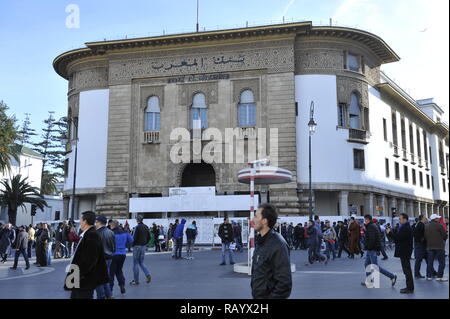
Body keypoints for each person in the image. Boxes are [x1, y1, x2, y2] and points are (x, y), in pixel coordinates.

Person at [64, 211, 109, 299]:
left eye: (81, 220)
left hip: (84, 281)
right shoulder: (88, 234)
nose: (80, 222)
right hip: (80, 279)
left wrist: (79, 276)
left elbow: (90, 261)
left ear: (85, 221)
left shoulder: (92, 235)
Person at [251, 203, 292, 299]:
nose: (253, 219)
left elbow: (284, 283)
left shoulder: (278, 244)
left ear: (264, 221)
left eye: (256, 216)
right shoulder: (261, 241)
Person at [361, 215, 397, 288]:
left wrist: (368, 247)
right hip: (370, 249)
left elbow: (372, 239)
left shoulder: (371, 227)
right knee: (366, 264)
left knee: (375, 267)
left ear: (367, 220)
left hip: (371, 249)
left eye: (365, 220)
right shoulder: (372, 226)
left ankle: (392, 276)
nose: (364, 221)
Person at [386, 213, 414, 293]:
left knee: (407, 270)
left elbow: (398, 238)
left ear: (405, 219)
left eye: (400, 219)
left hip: (405, 251)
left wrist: (390, 233)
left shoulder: (405, 227)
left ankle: (409, 287)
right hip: (405, 251)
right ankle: (409, 287)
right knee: (406, 270)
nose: (399, 220)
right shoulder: (404, 227)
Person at [110, 220, 133, 295]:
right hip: (122, 254)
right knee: (119, 270)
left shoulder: (111, 233)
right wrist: (126, 245)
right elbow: (131, 240)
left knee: (111, 272)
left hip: (113, 254)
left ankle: (110, 290)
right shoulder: (125, 232)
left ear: (113, 225)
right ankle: (122, 285)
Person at [95, 215, 116, 299]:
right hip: (109, 258)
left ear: (100, 222)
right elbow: (113, 247)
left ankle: (101, 296)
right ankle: (109, 295)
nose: (95, 223)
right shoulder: (111, 232)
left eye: (96, 222)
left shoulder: (96, 233)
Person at [424, 214, 448, 281]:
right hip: (439, 246)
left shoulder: (426, 226)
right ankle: (439, 276)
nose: (438, 219)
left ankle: (429, 276)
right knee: (441, 262)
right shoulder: (439, 225)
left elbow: (425, 236)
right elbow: (444, 235)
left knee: (430, 262)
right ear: (435, 219)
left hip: (429, 246)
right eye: (437, 218)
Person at [130, 215, 152, 285]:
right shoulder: (146, 227)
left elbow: (134, 237)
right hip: (143, 246)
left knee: (135, 263)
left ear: (137, 220)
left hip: (137, 246)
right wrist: (145, 243)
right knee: (141, 262)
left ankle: (136, 280)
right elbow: (149, 237)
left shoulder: (137, 227)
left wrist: (132, 245)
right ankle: (147, 274)